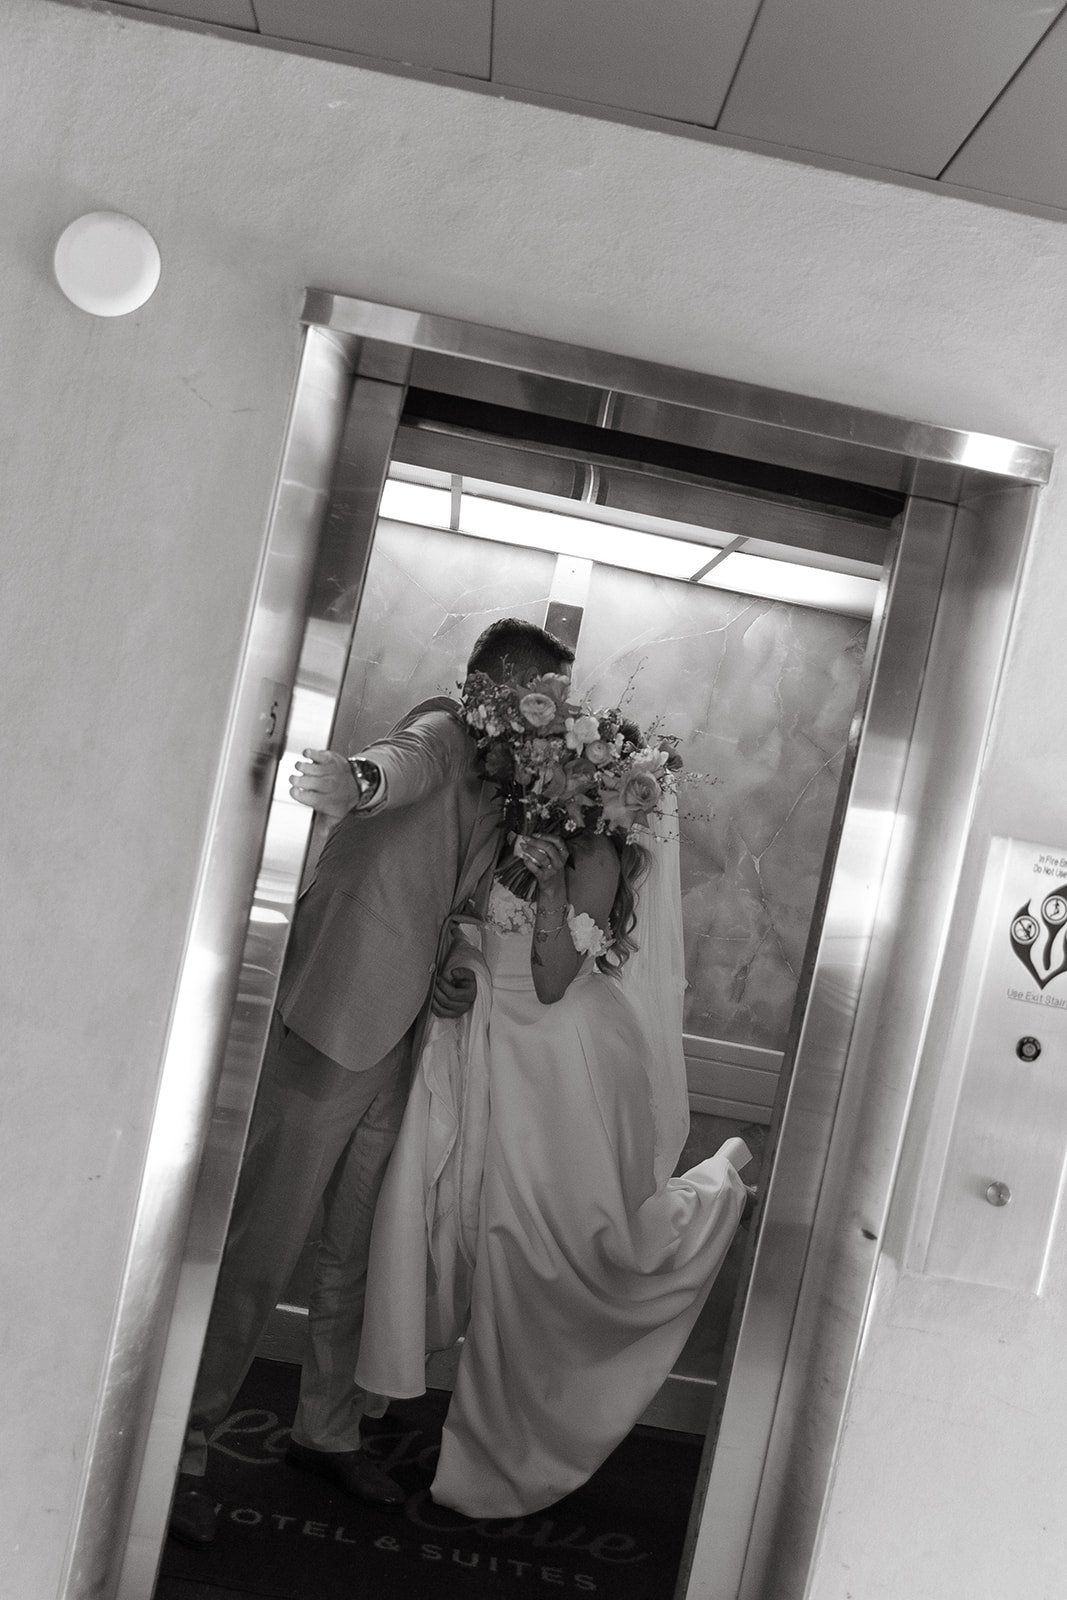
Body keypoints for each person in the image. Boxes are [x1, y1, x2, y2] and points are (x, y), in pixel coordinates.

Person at [169, 618, 575, 1546]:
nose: (555, 716)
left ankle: (325, 1431)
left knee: (359, 1249)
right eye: (544, 697)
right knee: (260, 1250)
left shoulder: (505, 786)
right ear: (496, 690)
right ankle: (178, 1448)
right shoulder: (442, 729)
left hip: (399, 1041)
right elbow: (397, 764)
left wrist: (456, 959)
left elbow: (448, 902)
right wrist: (351, 780)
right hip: (333, 1022)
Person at [355, 784, 751, 1517]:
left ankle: (504, 1452)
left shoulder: (595, 854)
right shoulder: (511, 832)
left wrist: (551, 888)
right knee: (472, 1226)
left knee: (544, 1252)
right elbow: (471, 926)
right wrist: (458, 966)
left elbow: (550, 979)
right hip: (503, 1047)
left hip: (566, 1063)